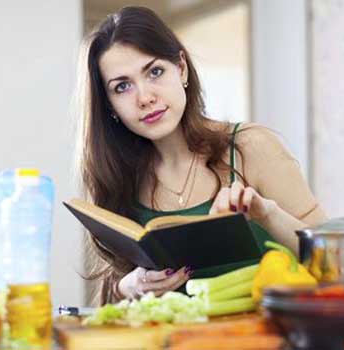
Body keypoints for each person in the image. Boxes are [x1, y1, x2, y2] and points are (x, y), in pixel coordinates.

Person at [75, 6, 327, 305]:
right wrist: (127, 287)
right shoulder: (118, 180)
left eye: (155, 72)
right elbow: (110, 313)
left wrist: (268, 213)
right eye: (122, 87)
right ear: (109, 106)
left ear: (181, 68)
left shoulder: (251, 147)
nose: (144, 97)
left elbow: (331, 262)